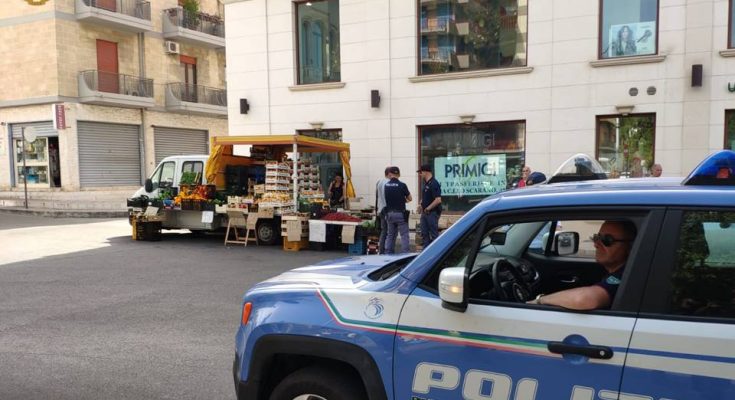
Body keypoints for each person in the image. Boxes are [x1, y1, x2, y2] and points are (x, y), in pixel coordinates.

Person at [528, 220, 637, 310]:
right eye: (597, 237)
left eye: (607, 240)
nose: (596, 244)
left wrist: (540, 300)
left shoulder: (625, 276)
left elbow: (583, 299)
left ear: (630, 247)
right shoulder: (619, 271)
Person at [383, 166, 412, 254]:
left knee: (390, 235)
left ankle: (388, 253)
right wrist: (402, 201)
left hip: (389, 213)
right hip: (400, 214)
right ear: (398, 174)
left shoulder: (386, 186)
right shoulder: (402, 185)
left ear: (390, 174)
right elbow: (410, 198)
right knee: (404, 235)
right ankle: (405, 253)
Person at [416, 164, 442, 248]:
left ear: (425, 172)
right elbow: (426, 197)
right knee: (424, 234)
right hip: (425, 213)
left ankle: (436, 255)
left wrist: (428, 208)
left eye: (420, 172)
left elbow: (438, 200)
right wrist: (421, 204)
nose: (420, 174)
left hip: (432, 213)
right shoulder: (426, 183)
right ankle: (425, 254)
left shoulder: (434, 183)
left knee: (434, 235)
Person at [375, 167, 391, 254]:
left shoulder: (379, 182)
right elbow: (387, 197)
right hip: (387, 210)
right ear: (389, 174)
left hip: (381, 210)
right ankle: (387, 250)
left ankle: (381, 251)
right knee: (390, 232)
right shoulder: (388, 183)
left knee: (383, 231)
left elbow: (378, 197)